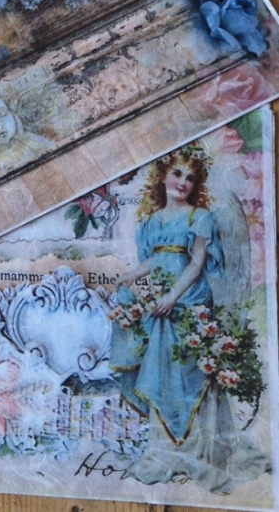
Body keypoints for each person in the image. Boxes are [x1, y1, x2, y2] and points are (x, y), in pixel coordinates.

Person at [109, 145, 264, 491]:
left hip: (188, 304)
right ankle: (163, 450)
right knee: (161, 372)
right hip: (161, 306)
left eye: (190, 178)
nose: (183, 182)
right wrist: (130, 276)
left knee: (189, 374)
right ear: (163, 176)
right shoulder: (152, 221)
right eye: (177, 173)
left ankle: (198, 452)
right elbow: (155, 259)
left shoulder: (199, 217)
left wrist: (171, 297)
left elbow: (195, 264)